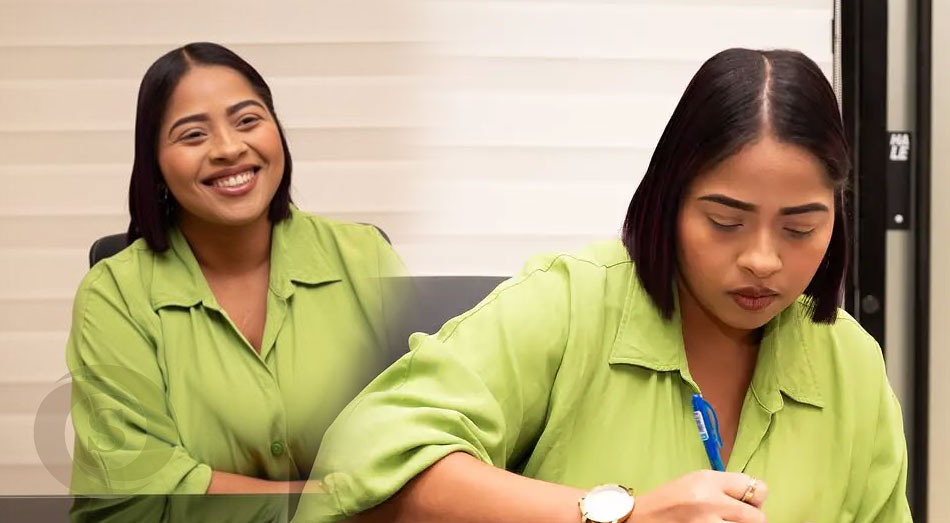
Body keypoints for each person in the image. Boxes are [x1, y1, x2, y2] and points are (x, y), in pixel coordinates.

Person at [300, 49, 911, 523]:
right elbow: (361, 465)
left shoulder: (850, 364)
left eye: (801, 227)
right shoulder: (569, 305)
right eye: (725, 222)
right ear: (669, 202)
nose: (762, 260)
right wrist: (618, 513)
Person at [66, 42, 406, 496]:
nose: (229, 148)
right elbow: (138, 486)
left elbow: (422, 424)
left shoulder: (365, 258)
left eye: (247, 120)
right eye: (192, 135)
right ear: (155, 164)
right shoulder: (113, 295)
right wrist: (335, 501)